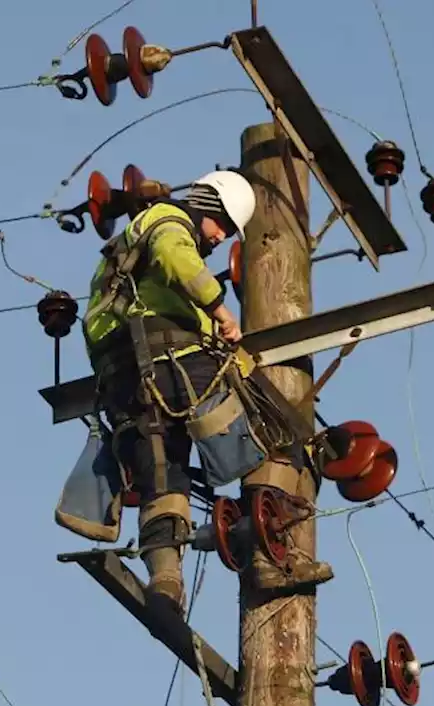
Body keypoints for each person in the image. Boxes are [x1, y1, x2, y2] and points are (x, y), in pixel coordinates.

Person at [70, 170, 255, 615]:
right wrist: (223, 312)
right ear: (209, 206)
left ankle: (166, 577)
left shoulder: (139, 264)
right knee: (249, 417)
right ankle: (269, 480)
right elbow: (179, 261)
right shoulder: (169, 222)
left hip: (123, 375)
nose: (218, 239)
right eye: (223, 227)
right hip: (162, 357)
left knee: (163, 468)